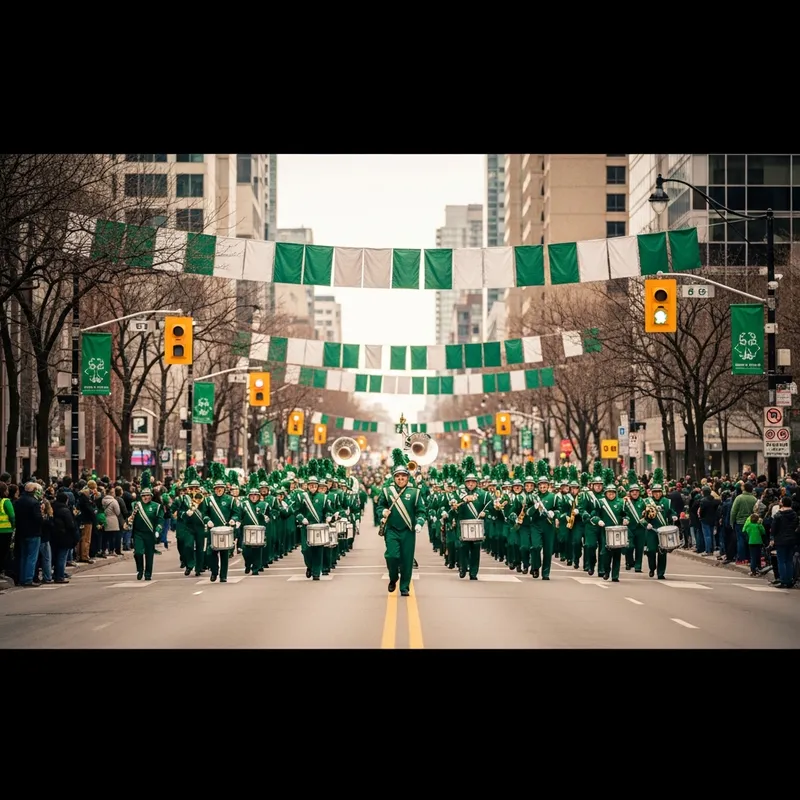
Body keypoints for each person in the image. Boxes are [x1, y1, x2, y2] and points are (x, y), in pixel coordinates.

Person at [378, 449, 427, 596]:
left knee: (407, 560)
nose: (400, 479)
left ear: (407, 478)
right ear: (394, 478)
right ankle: (393, 578)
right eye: (398, 476)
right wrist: (382, 512)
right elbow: (380, 505)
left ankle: (404, 587)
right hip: (392, 530)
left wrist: (419, 522)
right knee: (391, 556)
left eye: (403, 476)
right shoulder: (387, 491)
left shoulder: (415, 492)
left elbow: (421, 510)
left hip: (408, 531)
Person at [454, 456, 489, 580]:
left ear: (476, 483)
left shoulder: (483, 494)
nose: (470, 484)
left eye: (473, 482)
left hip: (477, 525)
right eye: (468, 482)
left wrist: (486, 513)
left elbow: (490, 506)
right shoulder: (459, 493)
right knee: (463, 548)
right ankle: (463, 567)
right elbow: (453, 504)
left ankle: (473, 573)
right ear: (465, 483)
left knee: (475, 549)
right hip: (463, 524)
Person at [128, 470, 163, 581]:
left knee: (149, 554)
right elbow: (130, 517)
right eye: (143, 495)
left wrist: (158, 529)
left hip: (150, 533)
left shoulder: (156, 506)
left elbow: (160, 520)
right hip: (138, 533)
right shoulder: (135, 505)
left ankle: (148, 573)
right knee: (138, 552)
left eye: (147, 495)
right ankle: (140, 570)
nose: (145, 497)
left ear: (151, 496)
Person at [769, 495, 797, 588]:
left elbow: (774, 528)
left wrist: (772, 538)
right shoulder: (794, 514)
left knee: (781, 561)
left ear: (782, 503)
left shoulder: (779, 515)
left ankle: (783, 580)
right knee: (789, 560)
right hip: (791, 539)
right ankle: (789, 580)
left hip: (780, 539)